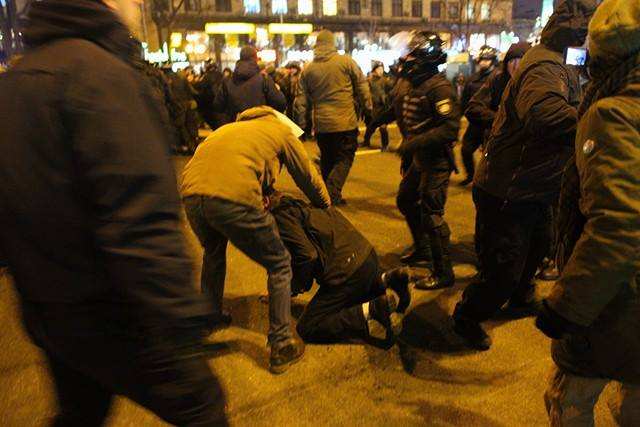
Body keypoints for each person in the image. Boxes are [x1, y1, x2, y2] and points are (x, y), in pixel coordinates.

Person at [0, 0, 229, 425]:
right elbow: (139, 214)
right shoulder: (100, 77)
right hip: (115, 310)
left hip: (46, 307)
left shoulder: (14, 81)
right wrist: (181, 316)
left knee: (80, 412)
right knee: (203, 409)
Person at [452, 0, 598, 351]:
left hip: (536, 187)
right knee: (503, 268)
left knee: (536, 250)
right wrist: (596, 118)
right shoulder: (545, 65)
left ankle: (520, 297)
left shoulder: (564, 60)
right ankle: (468, 315)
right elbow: (545, 114)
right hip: (508, 190)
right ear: (578, 32)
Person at [535, 0, 640, 424]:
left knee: (569, 400)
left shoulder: (613, 113)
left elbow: (619, 226)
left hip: (617, 299)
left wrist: (566, 306)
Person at [181, 106, 331, 374]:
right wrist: (325, 204)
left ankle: (209, 317)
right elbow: (307, 176)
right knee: (280, 263)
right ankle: (281, 343)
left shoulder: (227, 129)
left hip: (192, 196)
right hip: (231, 198)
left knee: (213, 252)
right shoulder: (280, 131)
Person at [370, 31, 460, 290]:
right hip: (420, 159)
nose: (406, 60)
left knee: (431, 214)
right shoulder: (414, 83)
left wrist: (412, 144)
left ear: (424, 59)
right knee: (406, 199)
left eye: (411, 55)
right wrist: (377, 120)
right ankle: (423, 248)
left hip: (437, 161)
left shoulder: (439, 87)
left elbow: (449, 129)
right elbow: (400, 107)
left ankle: (443, 272)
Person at [268, 193, 411, 344]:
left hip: (347, 271)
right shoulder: (298, 203)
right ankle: (388, 279)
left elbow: (307, 256)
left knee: (308, 327)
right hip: (368, 256)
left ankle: (372, 309)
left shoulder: (279, 218)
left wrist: (296, 286)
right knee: (359, 289)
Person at [464, 41, 531, 279]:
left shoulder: (537, 82)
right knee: (487, 205)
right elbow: (473, 107)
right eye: (512, 61)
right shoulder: (496, 81)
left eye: (521, 61)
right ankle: (485, 259)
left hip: (525, 158)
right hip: (495, 153)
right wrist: (501, 121)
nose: (516, 66)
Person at [295, 29, 373, 205]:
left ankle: (327, 195)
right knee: (345, 157)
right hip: (345, 122)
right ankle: (332, 191)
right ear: (333, 43)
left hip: (322, 125)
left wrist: (301, 124)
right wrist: (368, 109)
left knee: (327, 159)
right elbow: (362, 86)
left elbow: (300, 101)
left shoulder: (308, 70)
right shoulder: (346, 62)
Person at [213, 46, 286, 124]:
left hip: (235, 126)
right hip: (261, 126)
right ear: (255, 58)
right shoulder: (264, 80)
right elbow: (280, 104)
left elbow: (218, 106)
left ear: (240, 58)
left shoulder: (227, 81)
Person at [459, 45, 499, 186]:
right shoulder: (472, 79)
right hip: (476, 123)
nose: (483, 62)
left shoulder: (498, 78)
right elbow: (465, 101)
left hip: (492, 123)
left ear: (493, 61)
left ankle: (487, 181)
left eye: (487, 59)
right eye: (482, 59)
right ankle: (471, 175)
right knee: (466, 150)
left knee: (489, 156)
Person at [362, 61, 394, 151]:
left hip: (383, 108)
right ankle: (366, 141)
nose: (381, 71)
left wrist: (385, 97)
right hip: (373, 108)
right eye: (379, 69)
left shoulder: (385, 80)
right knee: (370, 126)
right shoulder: (369, 80)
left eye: (382, 69)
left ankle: (385, 145)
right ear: (374, 70)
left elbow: (392, 90)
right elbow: (365, 91)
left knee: (383, 127)